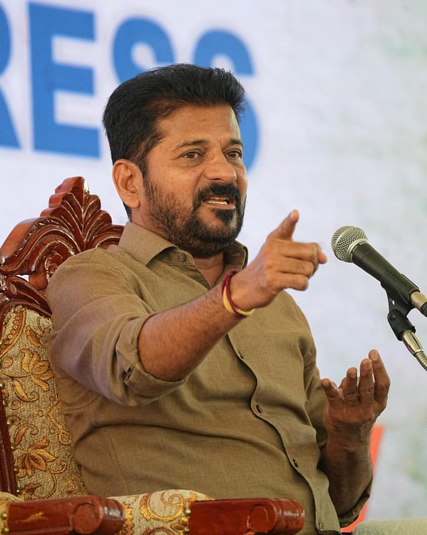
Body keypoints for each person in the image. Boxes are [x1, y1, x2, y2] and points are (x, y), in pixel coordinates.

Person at [46, 64, 390, 535]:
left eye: (234, 153)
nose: (225, 173)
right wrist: (237, 296)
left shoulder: (277, 306)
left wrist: (350, 436)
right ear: (130, 182)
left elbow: (340, 504)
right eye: (192, 155)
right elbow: (131, 368)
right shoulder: (92, 276)